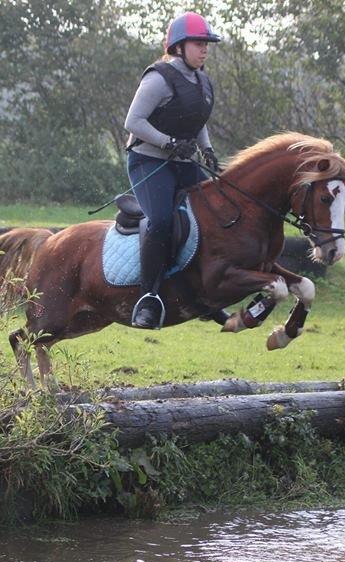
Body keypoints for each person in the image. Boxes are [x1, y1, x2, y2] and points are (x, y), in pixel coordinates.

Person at [124, 11, 222, 329]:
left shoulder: (202, 80)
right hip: (148, 162)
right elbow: (133, 122)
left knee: (217, 210)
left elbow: (198, 123)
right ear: (178, 47)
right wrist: (168, 143)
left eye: (206, 44)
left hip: (183, 163)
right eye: (198, 43)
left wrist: (207, 149)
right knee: (162, 220)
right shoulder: (159, 78)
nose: (204, 49)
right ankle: (148, 298)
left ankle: (204, 294)